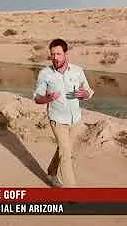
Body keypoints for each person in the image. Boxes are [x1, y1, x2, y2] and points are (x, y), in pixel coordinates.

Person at [33, 38, 94, 187]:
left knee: (63, 148)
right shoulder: (45, 74)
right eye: (53, 54)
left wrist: (83, 94)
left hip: (75, 120)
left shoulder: (78, 71)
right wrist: (47, 98)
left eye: (59, 54)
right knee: (66, 155)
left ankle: (52, 172)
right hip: (57, 120)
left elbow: (89, 92)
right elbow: (37, 98)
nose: (55, 58)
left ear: (66, 54)